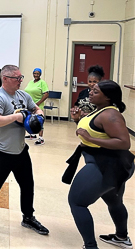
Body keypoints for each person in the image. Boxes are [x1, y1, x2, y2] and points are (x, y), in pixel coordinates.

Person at [66, 80, 133, 249]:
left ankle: (90, 246)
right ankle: (121, 237)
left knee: (77, 202)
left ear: (108, 97)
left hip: (106, 165)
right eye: (91, 90)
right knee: (114, 201)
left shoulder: (110, 114)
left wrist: (89, 139)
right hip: (111, 164)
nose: (90, 93)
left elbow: (124, 142)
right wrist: (77, 120)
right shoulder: (100, 110)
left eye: (95, 91)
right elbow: (96, 132)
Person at [0, 64, 49, 235]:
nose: (21, 81)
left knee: (28, 185)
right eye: (17, 78)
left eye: (21, 77)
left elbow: (36, 108)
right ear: (5, 79)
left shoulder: (23, 95)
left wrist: (39, 116)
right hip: (1, 151)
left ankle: (28, 217)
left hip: (20, 150)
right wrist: (17, 116)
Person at [23, 68, 49, 145]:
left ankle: (41, 139)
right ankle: (32, 134)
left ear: (40, 74)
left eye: (38, 73)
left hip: (38, 105)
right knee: (30, 119)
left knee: (39, 121)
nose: (36, 75)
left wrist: (38, 103)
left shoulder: (42, 83)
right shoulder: (31, 82)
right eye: (35, 73)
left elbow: (46, 94)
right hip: (29, 105)